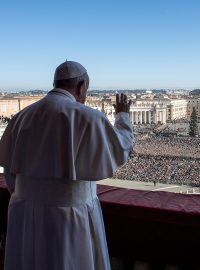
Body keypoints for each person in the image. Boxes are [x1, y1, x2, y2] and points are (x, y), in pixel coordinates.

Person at [0, 60, 134, 270]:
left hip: (24, 214)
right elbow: (121, 148)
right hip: (69, 217)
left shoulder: (20, 117)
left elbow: (9, 171)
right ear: (81, 87)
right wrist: (123, 116)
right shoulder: (89, 117)